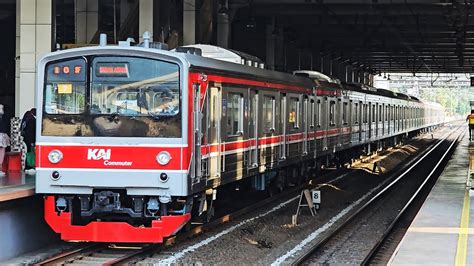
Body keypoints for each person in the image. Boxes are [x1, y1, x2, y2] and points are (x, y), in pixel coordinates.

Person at [0, 104, 10, 176]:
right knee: (2, 151)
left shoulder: (3, 117)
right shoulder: (3, 117)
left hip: (2, 135)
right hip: (2, 135)